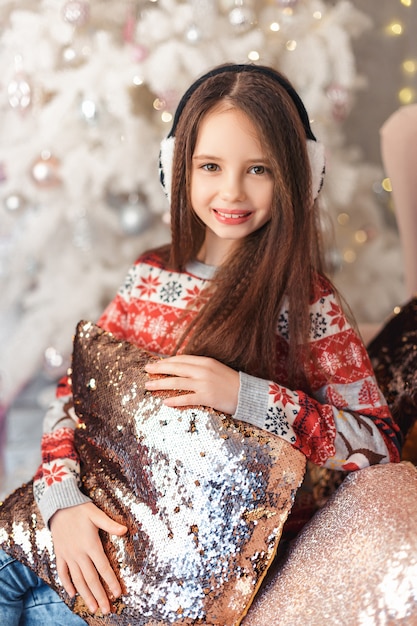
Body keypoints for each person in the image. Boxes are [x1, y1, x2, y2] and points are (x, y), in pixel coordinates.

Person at [0, 63, 401, 625]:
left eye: (258, 169)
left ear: (297, 175)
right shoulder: (150, 275)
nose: (231, 192)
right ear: (177, 171)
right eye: (210, 166)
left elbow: (379, 448)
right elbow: (71, 397)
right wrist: (62, 503)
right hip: (83, 531)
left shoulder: (307, 303)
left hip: (164, 581)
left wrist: (246, 395)